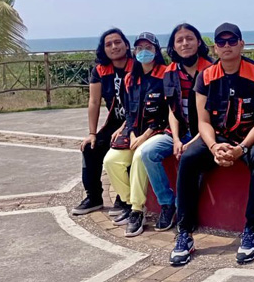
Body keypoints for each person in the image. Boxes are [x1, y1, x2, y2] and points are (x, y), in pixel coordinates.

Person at [170, 23, 254, 266]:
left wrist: (241, 149)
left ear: (241, 43)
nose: (226, 46)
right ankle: (184, 232)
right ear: (215, 47)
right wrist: (215, 147)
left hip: (251, 137)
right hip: (219, 138)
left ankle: (251, 230)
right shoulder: (206, 76)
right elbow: (203, 122)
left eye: (231, 41)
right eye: (221, 42)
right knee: (188, 158)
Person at [138, 24, 214, 232]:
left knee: (192, 159)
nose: (185, 43)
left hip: (205, 133)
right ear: (173, 46)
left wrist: (192, 141)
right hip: (178, 132)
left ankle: (183, 211)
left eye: (189, 38)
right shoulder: (170, 72)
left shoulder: (211, 69)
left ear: (199, 42)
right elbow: (172, 109)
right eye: (179, 40)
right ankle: (166, 203)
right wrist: (178, 139)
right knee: (148, 152)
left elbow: (216, 114)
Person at [102, 32, 169, 237]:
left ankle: (137, 211)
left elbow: (167, 112)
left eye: (148, 48)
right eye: (139, 48)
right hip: (136, 133)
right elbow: (129, 112)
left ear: (156, 51)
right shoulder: (131, 79)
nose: (143, 52)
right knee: (111, 160)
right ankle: (130, 203)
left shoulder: (166, 75)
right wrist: (130, 133)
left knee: (141, 155)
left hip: (158, 132)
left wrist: (145, 135)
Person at [72, 28, 133, 216]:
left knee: (124, 148)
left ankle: (123, 198)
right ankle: (94, 197)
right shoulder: (100, 70)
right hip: (114, 122)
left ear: (126, 44)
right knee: (90, 148)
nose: (114, 47)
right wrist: (92, 133)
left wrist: (126, 127)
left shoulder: (136, 65)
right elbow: (94, 101)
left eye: (117, 42)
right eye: (109, 44)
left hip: (136, 121)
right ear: (103, 49)